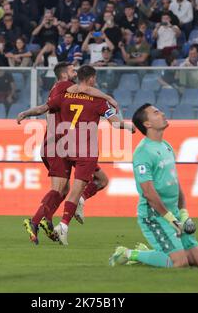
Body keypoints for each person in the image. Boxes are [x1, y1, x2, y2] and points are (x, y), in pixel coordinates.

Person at [17, 62, 121, 244]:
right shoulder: (65, 86)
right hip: (59, 144)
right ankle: (37, 220)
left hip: (68, 144)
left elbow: (45, 107)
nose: (75, 72)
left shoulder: (60, 89)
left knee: (83, 184)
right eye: (73, 70)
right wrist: (109, 98)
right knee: (59, 189)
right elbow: (87, 89)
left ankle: (48, 218)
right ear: (64, 74)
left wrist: (26, 113)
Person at [46, 65, 135, 245]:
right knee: (75, 191)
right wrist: (129, 126)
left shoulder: (66, 94)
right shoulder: (99, 101)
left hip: (65, 146)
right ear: (93, 79)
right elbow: (115, 124)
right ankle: (63, 225)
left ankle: (80, 200)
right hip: (85, 150)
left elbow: (48, 109)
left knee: (102, 180)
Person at [109, 103, 198, 268]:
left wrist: (184, 214)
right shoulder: (143, 152)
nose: (163, 114)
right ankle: (129, 253)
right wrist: (171, 220)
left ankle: (155, 253)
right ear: (147, 124)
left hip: (174, 214)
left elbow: (175, 183)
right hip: (155, 217)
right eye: (156, 112)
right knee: (180, 263)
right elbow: (149, 193)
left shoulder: (166, 146)